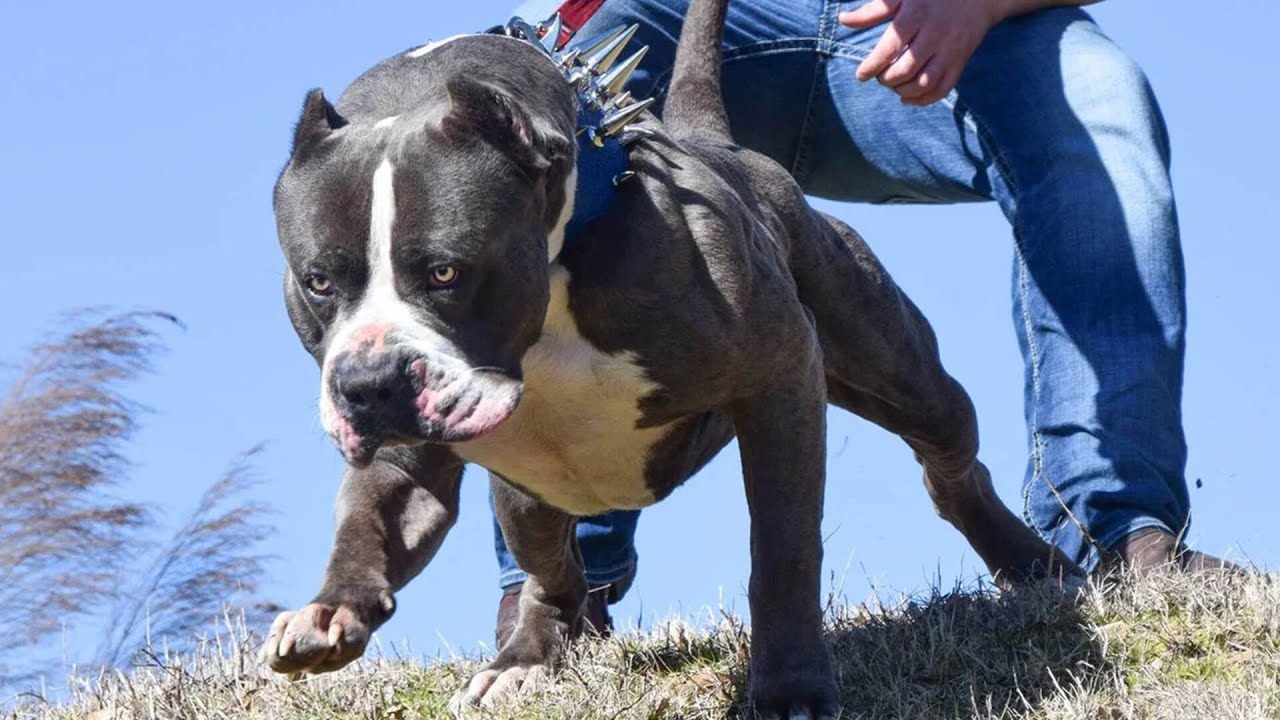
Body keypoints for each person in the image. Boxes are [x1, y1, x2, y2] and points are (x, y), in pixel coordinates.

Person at [492, 0, 1232, 645]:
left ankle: (1116, 528)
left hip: (942, 26)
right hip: (680, 17)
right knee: (545, 82)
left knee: (1102, 99)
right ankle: (558, 585)